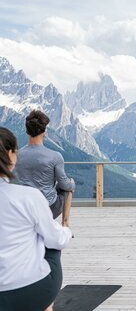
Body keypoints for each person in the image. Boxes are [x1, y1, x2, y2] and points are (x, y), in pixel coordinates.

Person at [0, 127, 73, 311]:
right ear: (10, 154)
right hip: (28, 291)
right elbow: (56, 240)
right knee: (51, 243)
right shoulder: (29, 197)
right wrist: (66, 230)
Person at [14, 110, 75, 226]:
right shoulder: (55, 156)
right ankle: (65, 224)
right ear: (45, 131)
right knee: (67, 186)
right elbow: (64, 185)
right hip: (49, 209)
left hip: (24, 209)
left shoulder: (16, 155)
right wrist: (72, 183)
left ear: (27, 131)